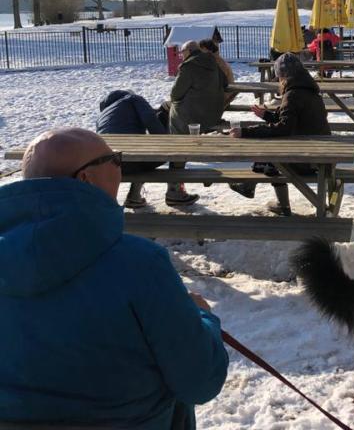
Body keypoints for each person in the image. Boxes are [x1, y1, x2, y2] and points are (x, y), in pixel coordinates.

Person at [0, 128, 228, 429]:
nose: (121, 167)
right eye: (114, 160)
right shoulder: (141, 264)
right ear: (86, 178)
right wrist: (203, 317)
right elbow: (200, 380)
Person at [229, 52, 330, 216]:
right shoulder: (308, 90)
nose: (278, 81)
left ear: (283, 75)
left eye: (279, 76)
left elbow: (283, 128)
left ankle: (257, 190)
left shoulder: (293, 94)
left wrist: (245, 131)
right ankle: (263, 194)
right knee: (271, 152)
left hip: (308, 160)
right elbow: (293, 120)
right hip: (318, 154)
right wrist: (267, 116)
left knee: (270, 153)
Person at [168, 40, 229, 206]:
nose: (181, 56)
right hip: (211, 115)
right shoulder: (213, 62)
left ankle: (174, 189)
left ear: (188, 51)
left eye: (182, 53)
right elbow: (225, 83)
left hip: (191, 118)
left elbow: (175, 94)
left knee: (176, 141)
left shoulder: (188, 67)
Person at [97, 89, 167, 209]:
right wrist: (166, 143)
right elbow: (151, 121)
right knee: (155, 156)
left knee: (136, 155)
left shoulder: (102, 116)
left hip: (108, 165)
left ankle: (133, 197)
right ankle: (174, 190)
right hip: (131, 162)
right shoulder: (133, 99)